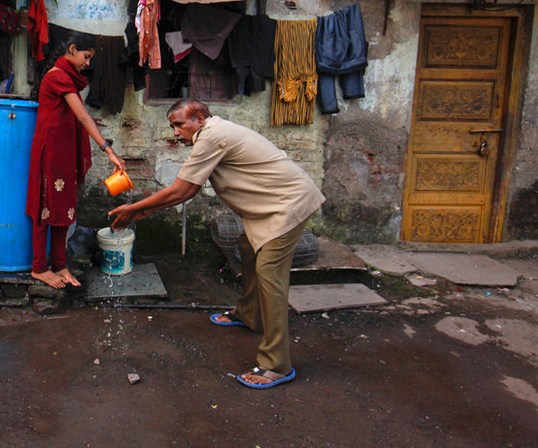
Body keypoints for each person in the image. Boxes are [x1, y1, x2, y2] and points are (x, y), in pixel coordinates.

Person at [108, 99, 324, 388]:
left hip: (288, 205)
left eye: (180, 125)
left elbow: (182, 190)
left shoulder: (212, 136)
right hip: (270, 207)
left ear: (199, 118)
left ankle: (277, 364)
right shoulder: (211, 133)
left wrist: (134, 209)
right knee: (248, 247)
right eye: (173, 126)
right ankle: (249, 314)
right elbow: (188, 190)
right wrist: (145, 210)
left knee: (270, 274)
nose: (175, 133)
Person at [27, 31, 126, 289]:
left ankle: (59, 265)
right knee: (44, 209)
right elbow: (83, 117)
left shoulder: (69, 78)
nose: (88, 64)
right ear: (71, 50)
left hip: (64, 154)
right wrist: (108, 149)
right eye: (86, 57)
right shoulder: (58, 77)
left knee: (64, 210)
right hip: (50, 153)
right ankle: (39, 268)